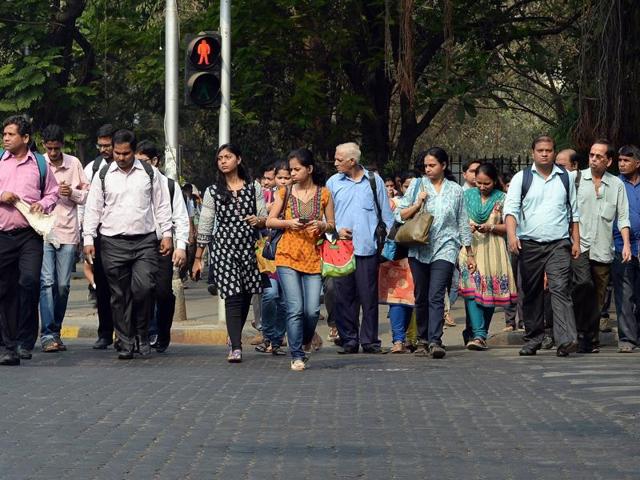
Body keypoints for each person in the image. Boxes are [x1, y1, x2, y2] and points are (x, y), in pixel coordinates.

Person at [83, 129, 173, 360]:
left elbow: (162, 205)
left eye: (126, 153)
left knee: (143, 289)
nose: (121, 158)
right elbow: (93, 209)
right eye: (117, 153)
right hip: (112, 242)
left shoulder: (149, 173)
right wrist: (88, 240)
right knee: (119, 295)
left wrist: (167, 235)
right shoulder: (103, 175)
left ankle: (142, 334)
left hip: (144, 242)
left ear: (134, 151)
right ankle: (125, 341)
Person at [504, 135, 580, 357]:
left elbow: (573, 213)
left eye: (548, 150)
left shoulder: (565, 177)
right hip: (529, 244)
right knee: (532, 292)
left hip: (559, 244)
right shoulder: (522, 178)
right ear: (533, 153)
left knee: (560, 289)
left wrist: (576, 241)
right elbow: (511, 210)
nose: (545, 154)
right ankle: (533, 338)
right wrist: (511, 237)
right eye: (540, 150)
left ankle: (565, 339)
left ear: (554, 152)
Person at [192, 143, 267, 363]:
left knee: (246, 295)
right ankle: (236, 346)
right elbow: (205, 224)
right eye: (220, 158)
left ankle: (233, 335)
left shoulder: (254, 187)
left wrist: (259, 220)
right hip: (224, 248)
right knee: (233, 296)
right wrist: (198, 257)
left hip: (249, 247)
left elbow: (263, 217)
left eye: (228, 157)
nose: (223, 161)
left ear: (238, 160)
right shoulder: (212, 191)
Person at [397, 147, 475, 358]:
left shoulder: (456, 190)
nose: (428, 170)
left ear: (443, 165)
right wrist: (417, 202)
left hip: (446, 247)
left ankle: (435, 340)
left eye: (432, 165)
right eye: (426, 166)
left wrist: (469, 252)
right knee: (421, 295)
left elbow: (462, 221)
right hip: (419, 248)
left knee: (437, 294)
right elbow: (400, 214)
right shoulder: (416, 185)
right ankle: (422, 338)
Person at [267, 148, 335, 370]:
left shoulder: (324, 194)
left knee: (312, 310)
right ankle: (296, 354)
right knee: (294, 307)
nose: (293, 173)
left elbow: (332, 225)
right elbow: (270, 221)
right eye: (291, 169)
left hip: (313, 257)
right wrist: (289, 223)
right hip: (287, 255)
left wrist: (323, 225)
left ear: (310, 169)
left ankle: (306, 340)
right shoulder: (284, 192)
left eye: (297, 169)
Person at [0, 115, 59, 366]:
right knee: (5, 290)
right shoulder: (0, 161)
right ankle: (9, 346)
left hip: (29, 236)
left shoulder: (40, 164)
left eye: (11, 134)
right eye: (4, 134)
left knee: (30, 281)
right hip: (2, 235)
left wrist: (42, 204)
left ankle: (26, 340)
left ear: (25, 138)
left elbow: (53, 193)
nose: (5, 138)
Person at [326, 142, 394, 354]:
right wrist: (335, 232)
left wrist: (387, 247)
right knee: (343, 297)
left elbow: (387, 216)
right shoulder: (332, 183)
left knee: (368, 297)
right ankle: (349, 340)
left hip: (367, 248)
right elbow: (325, 217)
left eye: (339, 159)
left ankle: (370, 341)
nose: (335, 163)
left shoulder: (374, 181)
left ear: (352, 161)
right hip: (341, 249)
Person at [572, 139, 631, 353]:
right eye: (591, 155)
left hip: (604, 249)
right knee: (582, 286)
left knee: (598, 296)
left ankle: (591, 339)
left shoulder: (617, 185)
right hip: (579, 246)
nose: (594, 159)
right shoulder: (575, 179)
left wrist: (625, 244)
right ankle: (579, 333)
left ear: (609, 160)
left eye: (599, 156)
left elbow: (623, 217)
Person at [39, 124, 90, 353]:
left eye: (56, 148)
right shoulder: (38, 164)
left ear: (62, 145)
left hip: (68, 231)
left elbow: (88, 195)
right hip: (43, 231)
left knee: (63, 285)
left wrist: (74, 194)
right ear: (43, 146)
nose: (52, 153)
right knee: (46, 283)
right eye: (49, 148)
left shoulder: (74, 164)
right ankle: (48, 334)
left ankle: (56, 330)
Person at [135, 140, 189, 353]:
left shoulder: (169, 185)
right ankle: (146, 332)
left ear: (155, 161)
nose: (140, 166)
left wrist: (181, 246)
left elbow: (181, 218)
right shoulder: (130, 183)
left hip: (162, 245)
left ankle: (162, 330)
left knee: (163, 292)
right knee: (142, 290)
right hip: (137, 243)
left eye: (144, 161)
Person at [458, 163, 517, 350]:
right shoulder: (466, 196)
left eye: (487, 183)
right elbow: (458, 221)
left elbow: (510, 227)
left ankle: (479, 335)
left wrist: (490, 227)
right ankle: (479, 334)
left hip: (494, 249)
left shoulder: (503, 199)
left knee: (490, 291)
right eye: (479, 183)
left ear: (494, 181)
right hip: (469, 249)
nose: (482, 187)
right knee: (471, 290)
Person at [81, 124, 116, 349]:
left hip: (126, 235)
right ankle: (105, 333)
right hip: (100, 236)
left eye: (108, 145)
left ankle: (128, 332)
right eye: (100, 145)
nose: (104, 149)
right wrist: (86, 238)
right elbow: (84, 206)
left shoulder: (135, 168)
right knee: (102, 286)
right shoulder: (92, 169)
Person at [379, 171, 416, 353]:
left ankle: (411, 339)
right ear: (401, 186)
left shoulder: (429, 203)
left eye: (414, 186)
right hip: (396, 257)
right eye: (407, 186)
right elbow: (395, 218)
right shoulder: (394, 204)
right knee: (397, 300)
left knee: (411, 301)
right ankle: (398, 340)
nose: (410, 190)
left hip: (419, 256)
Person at [255, 160, 290, 356]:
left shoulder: (296, 196)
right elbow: (260, 218)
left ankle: (276, 340)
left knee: (285, 300)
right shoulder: (266, 195)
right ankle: (267, 334)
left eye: (287, 177)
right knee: (269, 295)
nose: (283, 181)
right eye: (280, 177)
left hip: (290, 252)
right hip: (268, 253)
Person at [612, 145, 640, 352]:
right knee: (625, 293)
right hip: (621, 246)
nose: (622, 164)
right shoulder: (614, 184)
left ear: (637, 163)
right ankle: (627, 338)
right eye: (620, 160)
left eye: (626, 160)